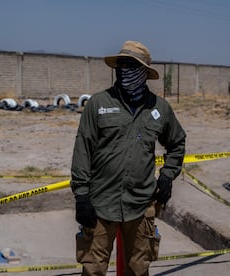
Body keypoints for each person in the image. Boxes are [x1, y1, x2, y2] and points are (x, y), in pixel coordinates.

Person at [70, 40, 186, 276]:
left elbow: (177, 143)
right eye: (121, 65)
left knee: (137, 268)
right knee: (93, 270)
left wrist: (167, 175)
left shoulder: (160, 109)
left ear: (144, 72)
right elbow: (83, 149)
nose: (125, 71)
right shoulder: (98, 104)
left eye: (131, 65)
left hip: (141, 204)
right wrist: (81, 196)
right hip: (100, 203)